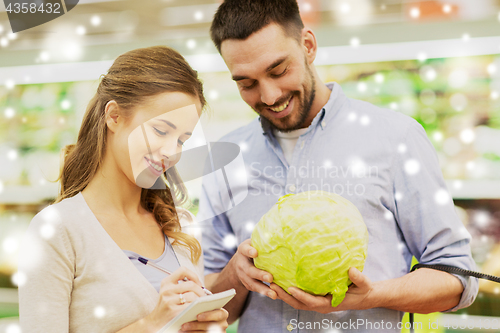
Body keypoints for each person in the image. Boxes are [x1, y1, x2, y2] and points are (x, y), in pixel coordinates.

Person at [198, 0, 479, 332]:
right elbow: (212, 314)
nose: (270, 95)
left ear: (308, 45)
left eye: (279, 70)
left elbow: (457, 279)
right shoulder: (225, 159)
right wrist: (236, 273)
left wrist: (372, 295)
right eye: (247, 84)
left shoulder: (395, 137)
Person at [18, 46, 229, 333]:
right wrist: (153, 323)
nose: (171, 151)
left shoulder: (181, 229)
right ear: (114, 116)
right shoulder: (58, 231)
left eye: (181, 139)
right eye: (161, 131)